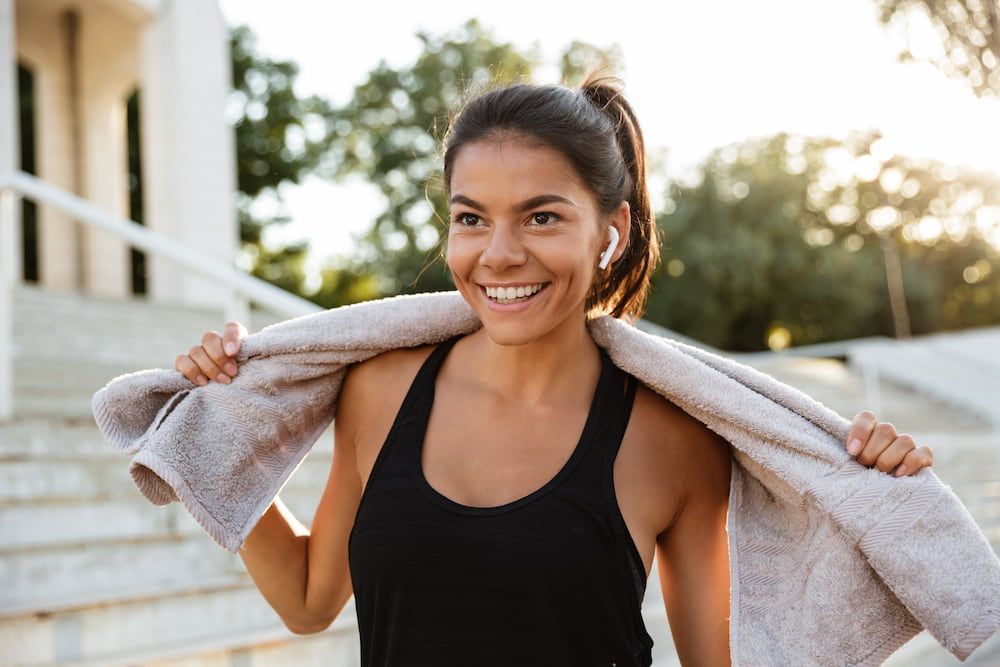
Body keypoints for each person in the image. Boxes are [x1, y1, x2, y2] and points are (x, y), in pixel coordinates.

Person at [174, 77, 934, 666]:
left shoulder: (672, 438)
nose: (498, 254)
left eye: (541, 216)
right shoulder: (379, 390)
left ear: (612, 229)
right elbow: (309, 600)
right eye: (471, 217)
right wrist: (214, 429)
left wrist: (864, 496)